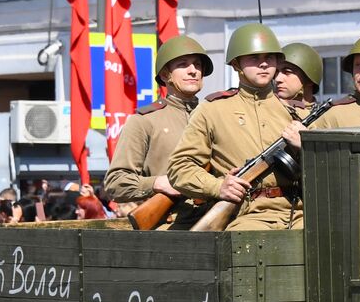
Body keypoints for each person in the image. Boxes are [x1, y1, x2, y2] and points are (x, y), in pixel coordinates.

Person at [168, 24, 305, 231]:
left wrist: (306, 147)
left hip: (298, 211)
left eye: (270, 58)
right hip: (246, 215)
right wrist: (218, 186)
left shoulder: (296, 114)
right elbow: (180, 167)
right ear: (236, 64)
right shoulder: (213, 110)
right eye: (254, 58)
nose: (264, 64)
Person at [104, 34, 211, 221]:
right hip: (171, 225)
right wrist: (157, 183)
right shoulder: (145, 120)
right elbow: (116, 183)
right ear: (164, 75)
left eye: (198, 64)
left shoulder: (214, 114)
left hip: (216, 219)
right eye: (182, 64)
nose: (193, 70)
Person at [275, 42, 322, 114]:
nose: (277, 79)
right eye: (277, 72)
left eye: (287, 72)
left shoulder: (325, 117)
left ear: (309, 80)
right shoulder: (271, 114)